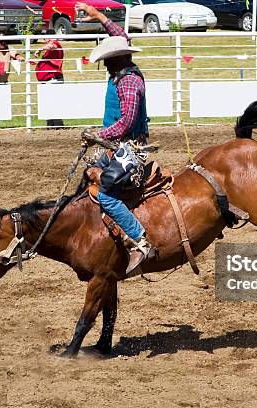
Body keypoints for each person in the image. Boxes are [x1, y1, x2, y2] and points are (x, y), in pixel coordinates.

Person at [75, 2, 153, 275]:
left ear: (117, 59)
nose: (105, 62)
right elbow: (121, 35)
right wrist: (97, 16)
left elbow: (126, 123)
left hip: (132, 148)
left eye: (108, 58)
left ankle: (140, 240)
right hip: (118, 145)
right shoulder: (123, 70)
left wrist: (98, 135)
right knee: (88, 177)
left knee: (106, 193)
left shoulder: (129, 82)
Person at [0, 37, 25, 129]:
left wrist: (19, 58)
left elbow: (15, 54)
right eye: (1, 42)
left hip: (2, 81)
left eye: (5, 41)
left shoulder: (9, 48)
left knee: (0, 104)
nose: (3, 43)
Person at [33, 29, 64, 128]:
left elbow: (51, 46)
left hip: (53, 80)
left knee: (54, 103)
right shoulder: (51, 48)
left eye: (45, 37)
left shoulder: (55, 44)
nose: (44, 39)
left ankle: (58, 125)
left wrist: (40, 49)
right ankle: (51, 125)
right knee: (49, 104)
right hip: (48, 80)